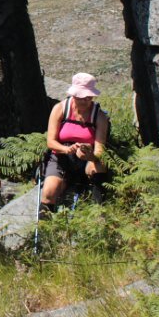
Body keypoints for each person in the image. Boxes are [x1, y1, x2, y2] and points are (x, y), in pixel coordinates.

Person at [40, 73, 110, 213]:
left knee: (99, 168)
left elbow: (100, 151)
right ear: (74, 95)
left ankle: (99, 212)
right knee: (48, 193)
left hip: (87, 158)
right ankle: (46, 226)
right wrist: (67, 150)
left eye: (88, 97)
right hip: (61, 156)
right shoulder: (60, 109)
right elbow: (51, 142)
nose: (85, 101)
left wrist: (88, 155)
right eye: (81, 97)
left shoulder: (100, 116)